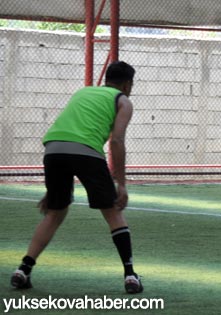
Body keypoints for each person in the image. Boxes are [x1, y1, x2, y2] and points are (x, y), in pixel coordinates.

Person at [10, 61, 143, 293]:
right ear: (127, 84)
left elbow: (70, 132)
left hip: (53, 150)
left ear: (106, 79)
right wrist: (121, 184)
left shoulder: (83, 91)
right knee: (113, 213)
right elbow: (117, 141)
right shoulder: (122, 101)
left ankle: (23, 269)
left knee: (54, 213)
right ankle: (130, 275)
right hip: (87, 152)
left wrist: (52, 191)